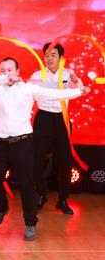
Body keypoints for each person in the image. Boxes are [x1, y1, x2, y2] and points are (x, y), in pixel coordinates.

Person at [0, 57, 89, 241]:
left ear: (18, 71)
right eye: (2, 70)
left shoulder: (28, 89)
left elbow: (53, 94)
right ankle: (1, 208)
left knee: (26, 184)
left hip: (22, 144)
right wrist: (4, 79)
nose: (6, 73)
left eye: (10, 70)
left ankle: (30, 223)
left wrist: (78, 92)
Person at [30, 43, 83, 215]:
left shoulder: (69, 73)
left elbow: (79, 89)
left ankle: (63, 200)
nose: (49, 58)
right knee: (36, 160)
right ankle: (41, 194)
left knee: (66, 162)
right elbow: (27, 93)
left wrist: (75, 82)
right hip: (43, 118)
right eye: (46, 55)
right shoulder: (37, 75)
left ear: (61, 58)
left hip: (62, 119)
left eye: (53, 55)